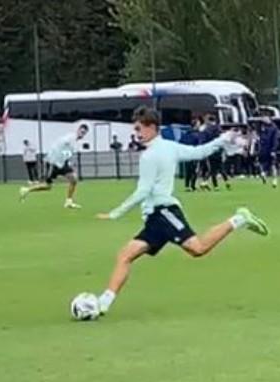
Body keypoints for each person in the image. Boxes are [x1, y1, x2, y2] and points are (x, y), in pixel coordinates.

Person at [92, 107, 270, 318]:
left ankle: (239, 218)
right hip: (154, 220)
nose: (137, 133)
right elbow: (200, 152)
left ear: (152, 127)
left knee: (198, 248)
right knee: (124, 256)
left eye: (139, 128)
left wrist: (115, 213)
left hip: (164, 213)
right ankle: (102, 304)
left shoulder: (150, 156)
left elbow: (144, 191)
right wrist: (222, 140)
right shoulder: (169, 147)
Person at [19, 124, 89, 208]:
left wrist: (67, 161)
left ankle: (68, 202)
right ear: (78, 130)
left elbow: (66, 152)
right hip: (54, 163)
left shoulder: (75, 141)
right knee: (48, 186)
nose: (82, 134)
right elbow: (58, 146)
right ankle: (26, 190)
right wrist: (51, 159)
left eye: (84, 133)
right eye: (81, 132)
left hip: (62, 163)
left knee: (74, 180)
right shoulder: (70, 138)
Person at [257, 118, 280, 188]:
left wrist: (273, 150)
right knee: (262, 163)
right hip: (264, 149)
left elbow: (275, 140)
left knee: (273, 165)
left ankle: (274, 180)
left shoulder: (273, 129)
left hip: (270, 149)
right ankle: (264, 174)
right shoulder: (262, 128)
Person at [181, 119, 202, 191]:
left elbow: (181, 142)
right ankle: (192, 186)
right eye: (198, 124)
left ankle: (187, 186)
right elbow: (199, 144)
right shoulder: (197, 134)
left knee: (188, 170)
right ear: (196, 125)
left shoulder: (186, 133)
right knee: (194, 170)